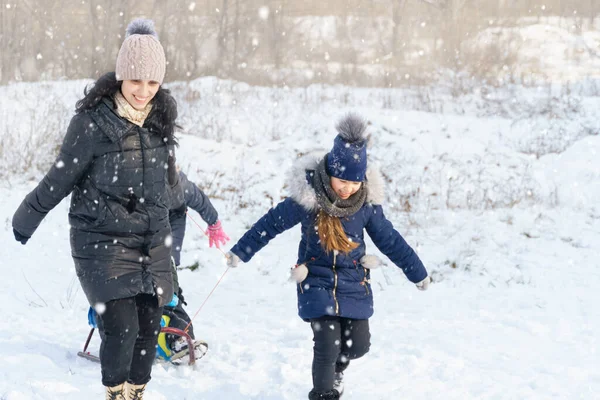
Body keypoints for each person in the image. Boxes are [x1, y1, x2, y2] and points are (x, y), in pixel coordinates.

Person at [12, 18, 183, 400]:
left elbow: (172, 185)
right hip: (100, 241)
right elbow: (60, 177)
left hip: (151, 245)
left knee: (149, 330)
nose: (143, 91)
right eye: (136, 81)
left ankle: (134, 392)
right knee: (121, 328)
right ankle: (114, 394)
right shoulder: (92, 123)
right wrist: (25, 219)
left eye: (152, 83)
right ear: (121, 76)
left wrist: (199, 214)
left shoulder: (161, 122)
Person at [225, 114, 431, 400]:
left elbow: (390, 240)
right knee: (327, 343)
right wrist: (241, 251)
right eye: (342, 180)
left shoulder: (366, 206)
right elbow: (270, 224)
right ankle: (323, 393)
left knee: (358, 345)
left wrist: (416, 271)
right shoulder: (309, 199)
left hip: (353, 282)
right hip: (315, 279)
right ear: (329, 172)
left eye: (354, 182)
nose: (348, 188)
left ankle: (338, 370)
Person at [157, 170, 229, 360]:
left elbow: (200, 199)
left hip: (171, 225)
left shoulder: (179, 184)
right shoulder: (131, 181)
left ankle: (180, 340)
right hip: (139, 230)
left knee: (168, 286)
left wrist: (213, 222)